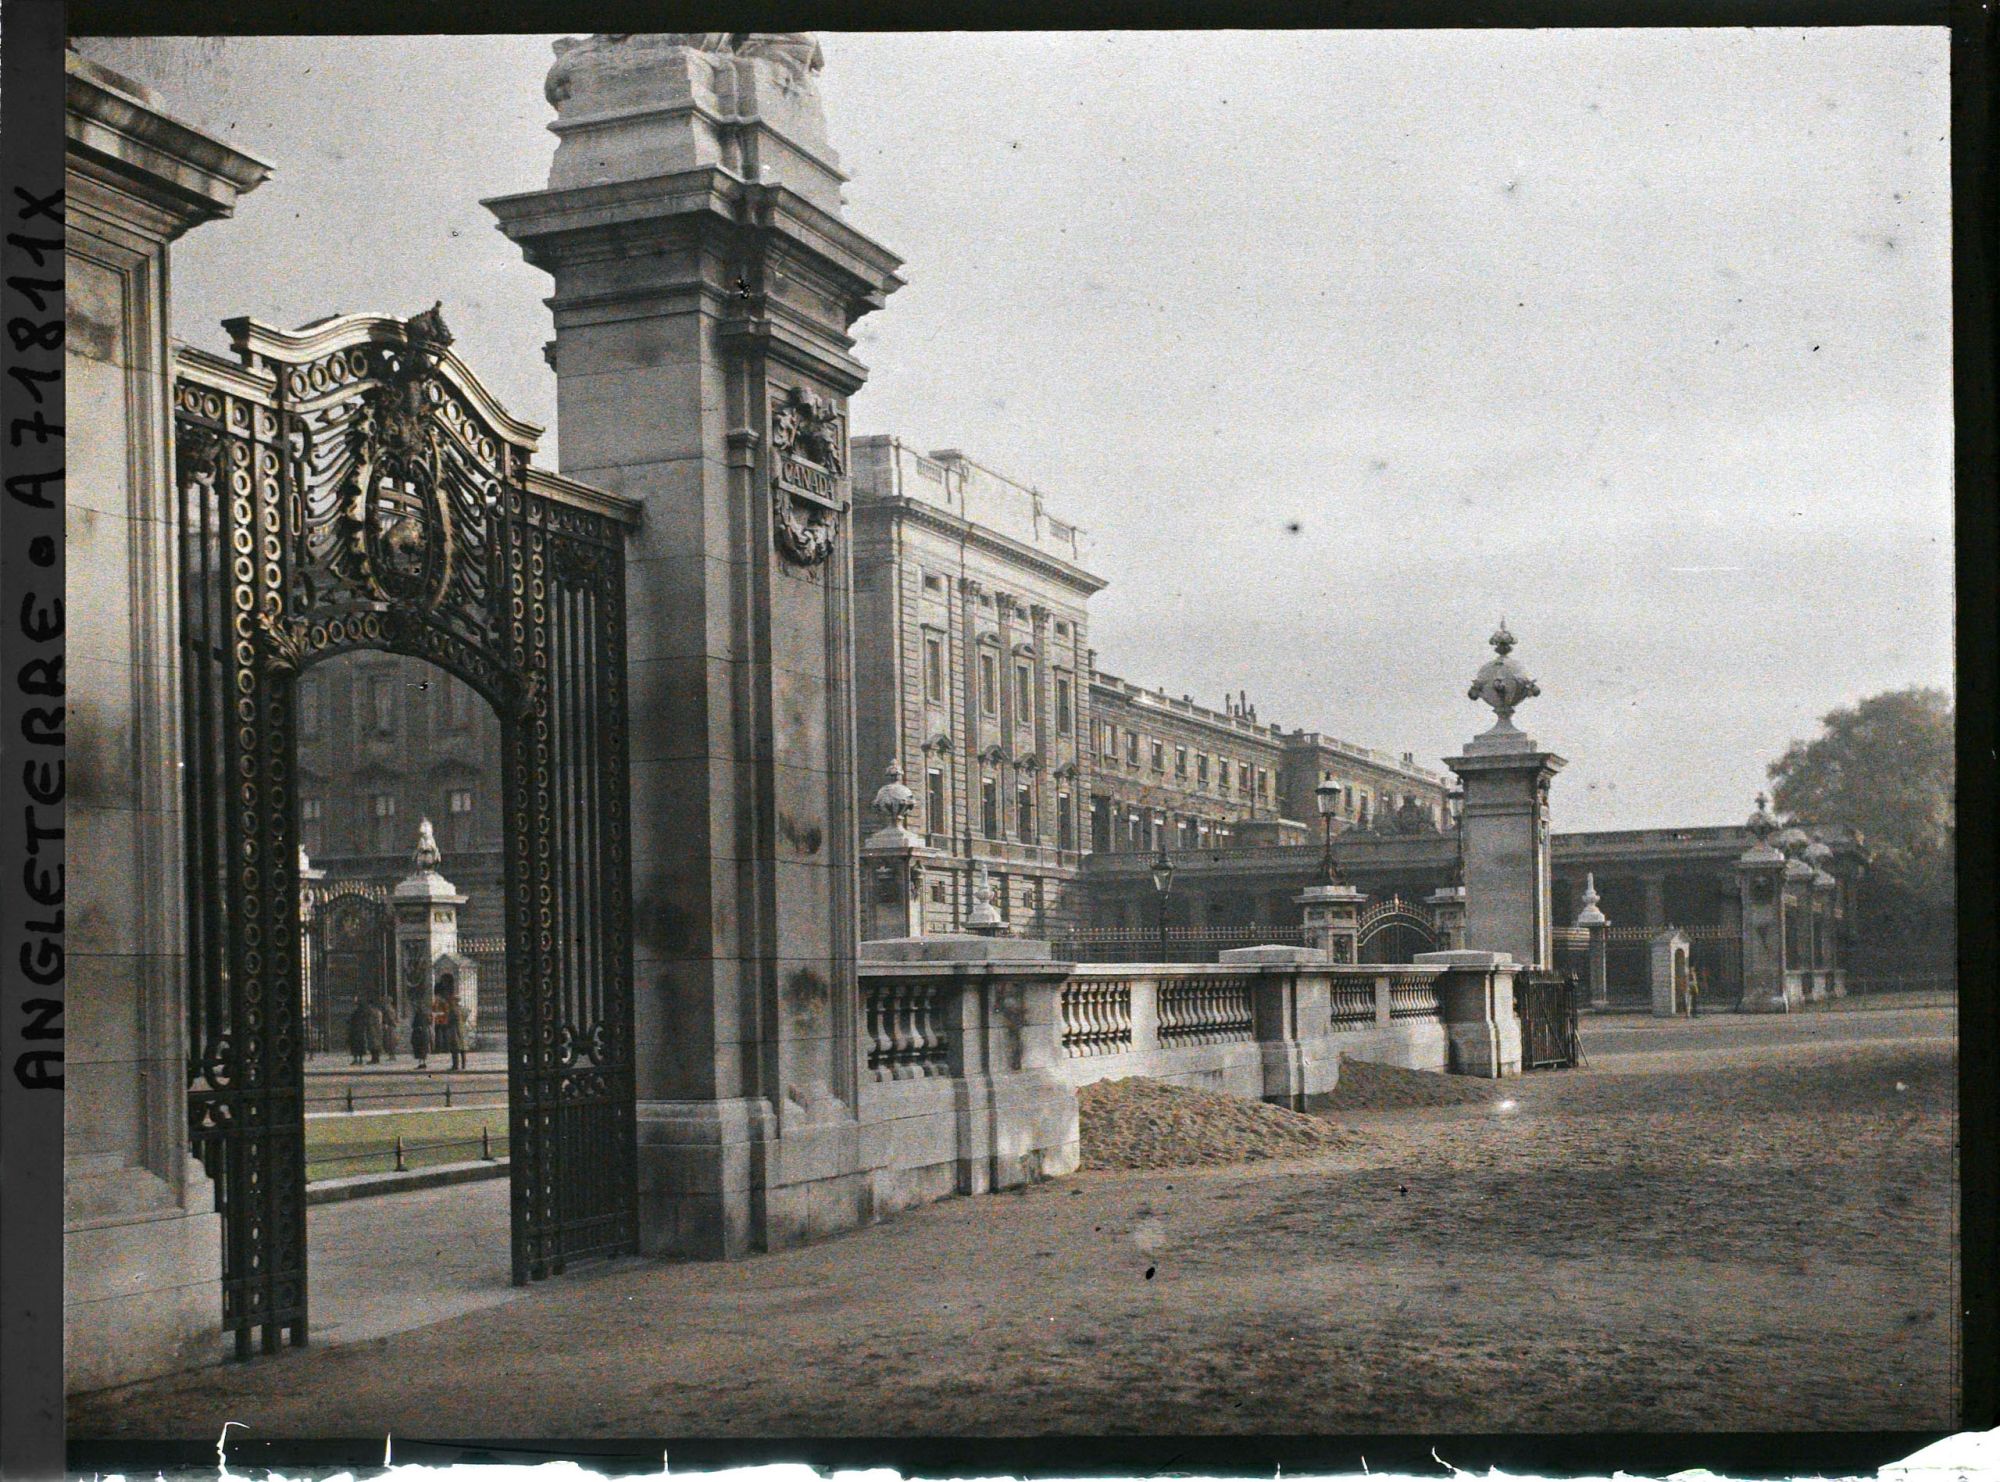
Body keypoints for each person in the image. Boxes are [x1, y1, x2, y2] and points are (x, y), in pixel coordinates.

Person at [439, 987, 467, 1073]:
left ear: (455, 1001)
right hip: (462, 1030)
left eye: (453, 1000)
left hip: (454, 1030)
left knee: (455, 1049)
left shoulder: (453, 1010)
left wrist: (446, 1024)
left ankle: (455, 1065)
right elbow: (465, 1017)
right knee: (462, 1049)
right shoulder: (462, 1009)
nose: (451, 1001)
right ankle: (463, 1065)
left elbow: (449, 1020)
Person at [410, 998, 432, 1070]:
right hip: (425, 1033)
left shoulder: (418, 1015)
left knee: (419, 1049)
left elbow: (414, 1025)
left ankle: (421, 1064)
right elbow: (429, 1022)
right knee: (423, 1049)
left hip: (419, 1035)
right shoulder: (426, 1014)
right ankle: (423, 1063)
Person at [362, 997, 384, 1065]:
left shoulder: (371, 1011)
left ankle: (374, 1059)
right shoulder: (378, 1011)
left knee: (373, 1044)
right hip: (377, 1029)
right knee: (376, 1044)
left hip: (373, 1030)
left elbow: (369, 1021)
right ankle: (376, 1058)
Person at [346, 998, 369, 1066]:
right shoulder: (363, 1012)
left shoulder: (355, 1012)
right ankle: (360, 1059)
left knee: (355, 1045)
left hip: (355, 1031)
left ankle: (356, 1059)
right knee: (360, 1045)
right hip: (361, 1031)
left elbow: (350, 1021)